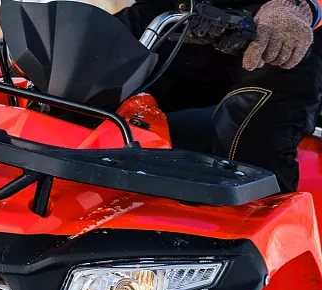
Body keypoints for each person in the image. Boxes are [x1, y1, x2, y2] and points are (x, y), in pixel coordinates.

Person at [117, 0, 322, 192]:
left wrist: (301, 6)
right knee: (103, 55)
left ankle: (256, 209)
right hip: (173, 16)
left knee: (253, 122)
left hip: (275, 24)